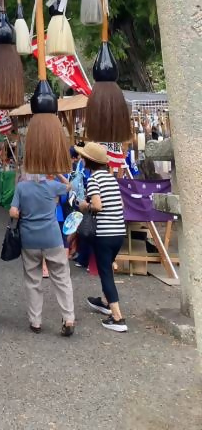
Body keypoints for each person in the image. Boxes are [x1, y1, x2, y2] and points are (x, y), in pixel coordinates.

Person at [10, 173, 75, 336]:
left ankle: (36, 321)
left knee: (33, 280)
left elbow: (12, 212)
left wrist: (22, 214)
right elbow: (70, 186)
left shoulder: (21, 187)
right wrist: (59, 174)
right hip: (52, 238)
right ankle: (68, 318)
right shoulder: (52, 186)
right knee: (61, 278)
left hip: (29, 238)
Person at [77, 142, 128, 332]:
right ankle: (105, 301)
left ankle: (117, 317)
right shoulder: (110, 178)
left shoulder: (93, 180)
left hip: (104, 234)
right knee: (108, 268)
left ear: (89, 161)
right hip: (118, 232)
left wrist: (85, 206)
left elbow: (97, 206)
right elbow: (121, 205)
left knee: (105, 272)